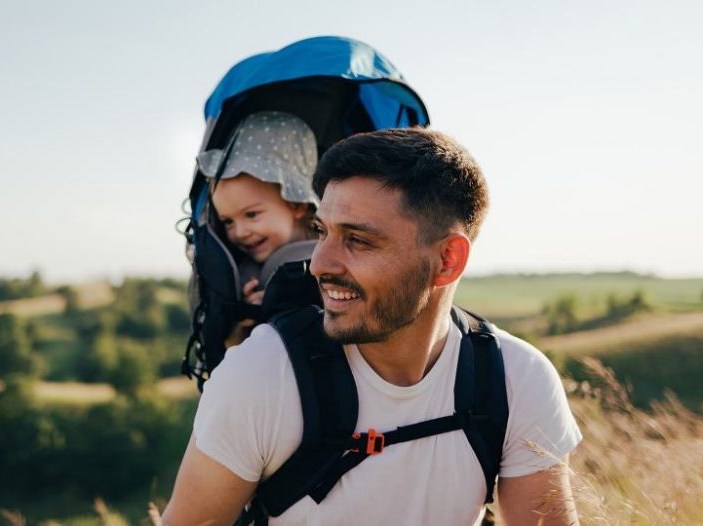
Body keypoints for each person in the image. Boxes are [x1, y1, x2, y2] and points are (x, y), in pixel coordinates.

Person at [163, 128, 582, 525]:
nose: (320, 264)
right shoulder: (260, 376)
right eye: (321, 232)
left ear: (448, 260)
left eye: (358, 240)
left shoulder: (516, 379)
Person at [198, 111, 320, 344]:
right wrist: (246, 314)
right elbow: (232, 346)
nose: (240, 232)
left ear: (296, 204)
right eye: (228, 222)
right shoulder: (247, 276)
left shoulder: (334, 251)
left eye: (252, 214)